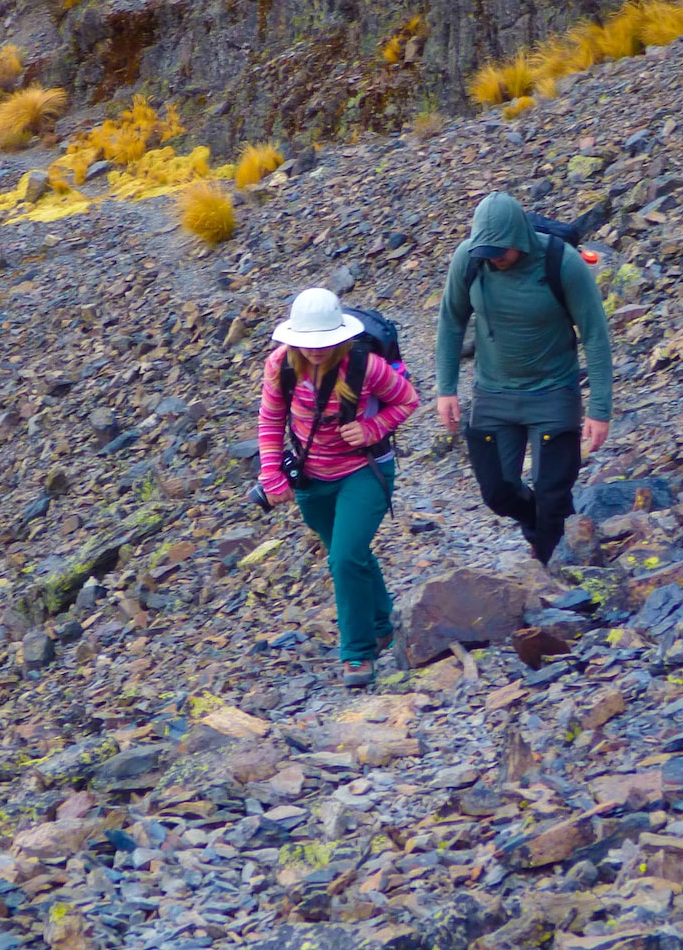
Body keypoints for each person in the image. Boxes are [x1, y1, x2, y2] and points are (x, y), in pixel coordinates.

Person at [435, 191, 612, 565]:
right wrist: (446, 388)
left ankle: (553, 583)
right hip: (493, 392)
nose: (493, 258)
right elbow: (452, 320)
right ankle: (540, 524)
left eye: (500, 251)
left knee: (552, 496)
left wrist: (599, 409)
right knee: (498, 493)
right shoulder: (470, 260)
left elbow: (595, 334)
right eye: (486, 251)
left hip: (553, 394)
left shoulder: (561, 264)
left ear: (519, 238)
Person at [257, 288, 419, 687]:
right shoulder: (280, 365)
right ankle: (383, 624)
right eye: (307, 343)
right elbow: (270, 420)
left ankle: (358, 655)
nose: (315, 350)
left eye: (324, 343)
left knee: (344, 559)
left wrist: (371, 429)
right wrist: (271, 474)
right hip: (312, 479)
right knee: (351, 556)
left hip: (364, 472)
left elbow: (408, 400)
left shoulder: (367, 366)